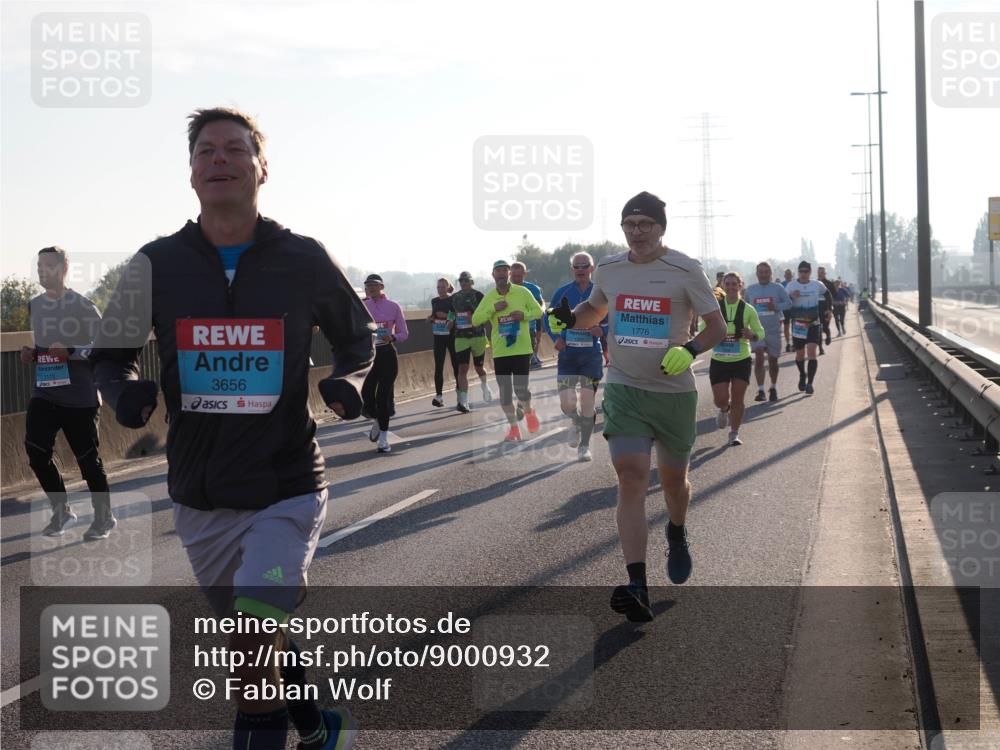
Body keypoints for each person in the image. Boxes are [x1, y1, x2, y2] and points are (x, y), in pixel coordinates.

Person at [91, 107, 370, 750]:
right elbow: (109, 353)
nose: (219, 159)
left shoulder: (301, 257)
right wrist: (123, 391)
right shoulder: (156, 262)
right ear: (191, 173)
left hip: (287, 486)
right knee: (253, 628)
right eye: (206, 151)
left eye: (234, 149)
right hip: (200, 491)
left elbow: (361, 339)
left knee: (250, 636)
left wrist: (348, 383)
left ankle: (265, 730)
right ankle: (320, 719)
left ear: (260, 167)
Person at [548, 192, 725, 622]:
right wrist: (570, 319)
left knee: (672, 481)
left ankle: (677, 531)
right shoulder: (609, 268)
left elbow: (717, 325)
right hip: (625, 388)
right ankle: (637, 583)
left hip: (673, 394)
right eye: (630, 224)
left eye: (646, 223)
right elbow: (594, 309)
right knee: (630, 476)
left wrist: (691, 349)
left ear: (662, 227)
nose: (637, 231)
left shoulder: (685, 269)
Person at [21, 246, 115, 540]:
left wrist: (72, 351)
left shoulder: (83, 305)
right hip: (46, 392)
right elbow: (49, 347)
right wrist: (34, 354)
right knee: (36, 452)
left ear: (63, 269)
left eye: (47, 265)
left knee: (87, 460)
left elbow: (103, 347)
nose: (40, 271)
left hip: (80, 396)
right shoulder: (34, 305)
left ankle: (104, 518)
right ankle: (61, 512)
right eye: (38, 265)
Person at [472, 260, 544, 442]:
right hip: (500, 351)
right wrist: (492, 309)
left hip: (521, 349)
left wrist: (524, 316)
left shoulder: (522, 292)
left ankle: (529, 412)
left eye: (505, 270)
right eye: (498, 271)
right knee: (504, 394)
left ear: (509, 273)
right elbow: (475, 319)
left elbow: (539, 312)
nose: (502, 274)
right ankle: (514, 429)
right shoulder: (489, 297)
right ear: (493, 274)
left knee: (521, 391)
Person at [544, 252, 606, 462]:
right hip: (568, 355)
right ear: (572, 269)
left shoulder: (600, 292)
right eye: (576, 266)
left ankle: (585, 446)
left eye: (584, 266)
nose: (580, 269)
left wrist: (602, 330)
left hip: (591, 355)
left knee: (588, 400)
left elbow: (615, 317)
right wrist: (556, 337)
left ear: (592, 268)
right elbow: (548, 318)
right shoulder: (563, 292)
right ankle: (576, 421)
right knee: (567, 405)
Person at [704, 272, 765, 446]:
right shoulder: (715, 308)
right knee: (720, 398)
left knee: (738, 399)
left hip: (741, 360)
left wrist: (752, 334)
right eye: (728, 284)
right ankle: (724, 409)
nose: (731, 287)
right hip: (720, 360)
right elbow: (703, 327)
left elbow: (761, 332)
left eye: (734, 284)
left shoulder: (748, 309)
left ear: (740, 285)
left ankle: (734, 433)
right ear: (723, 285)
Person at [362, 274, 409, 453]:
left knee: (383, 397)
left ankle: (383, 438)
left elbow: (404, 333)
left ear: (381, 286)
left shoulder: (393, 306)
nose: (371, 288)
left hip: (387, 354)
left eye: (374, 285)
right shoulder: (362, 307)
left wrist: (393, 336)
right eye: (368, 286)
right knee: (366, 395)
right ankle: (377, 419)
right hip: (369, 356)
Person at [743, 261, 791, 403]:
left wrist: (775, 306)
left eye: (766, 272)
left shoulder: (778, 288)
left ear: (770, 274)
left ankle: (773, 387)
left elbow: (788, 303)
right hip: (757, 330)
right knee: (758, 357)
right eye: (761, 272)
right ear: (757, 273)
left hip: (773, 330)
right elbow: (744, 308)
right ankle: (761, 390)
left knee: (773, 361)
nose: (763, 274)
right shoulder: (751, 289)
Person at [786, 261, 832, 394]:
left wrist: (829, 309)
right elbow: (783, 301)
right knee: (800, 354)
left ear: (810, 272)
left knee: (812, 352)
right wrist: (790, 296)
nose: (804, 274)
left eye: (806, 271)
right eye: (801, 271)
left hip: (813, 323)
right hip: (798, 325)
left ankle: (810, 383)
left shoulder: (816, 284)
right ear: (798, 272)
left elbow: (827, 294)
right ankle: (802, 375)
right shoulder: (791, 285)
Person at [450, 271, 493, 411]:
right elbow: (451, 312)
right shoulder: (454, 297)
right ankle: (463, 401)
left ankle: (485, 386)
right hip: (461, 337)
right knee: (462, 368)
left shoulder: (479, 295)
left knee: (479, 368)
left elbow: (487, 313)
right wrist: (450, 321)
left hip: (478, 336)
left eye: (466, 281)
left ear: (471, 282)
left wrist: (475, 318)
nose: (463, 283)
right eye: (461, 281)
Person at [428, 277, 459, 409]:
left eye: (442, 287)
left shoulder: (453, 299)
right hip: (438, 336)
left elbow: (457, 315)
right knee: (438, 367)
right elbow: (434, 315)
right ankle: (439, 396)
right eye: (438, 287)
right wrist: (431, 318)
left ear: (447, 287)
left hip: (451, 336)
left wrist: (447, 316)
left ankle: (460, 395)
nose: (440, 290)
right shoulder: (434, 301)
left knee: (456, 365)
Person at [509, 261, 545, 369]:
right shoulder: (504, 289)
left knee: (525, 362)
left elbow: (540, 308)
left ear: (525, 274)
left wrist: (539, 329)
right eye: (513, 276)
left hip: (529, 327)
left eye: (519, 276)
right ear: (509, 274)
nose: (516, 279)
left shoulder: (533, 289)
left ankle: (533, 358)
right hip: (509, 327)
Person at [817, 266, 837, 347]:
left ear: (825, 273)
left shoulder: (829, 283)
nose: (820, 274)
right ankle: (820, 347)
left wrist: (830, 308)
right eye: (819, 273)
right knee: (818, 329)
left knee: (825, 327)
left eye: (822, 273)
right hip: (817, 308)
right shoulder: (815, 283)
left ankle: (828, 336)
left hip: (827, 308)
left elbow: (834, 295)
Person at [781, 268, 794, 352]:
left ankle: (795, 343)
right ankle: (788, 343)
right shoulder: (781, 285)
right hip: (786, 309)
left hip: (795, 308)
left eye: (789, 274)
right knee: (786, 326)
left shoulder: (795, 284)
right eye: (786, 274)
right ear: (784, 275)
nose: (788, 275)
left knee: (795, 326)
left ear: (792, 275)